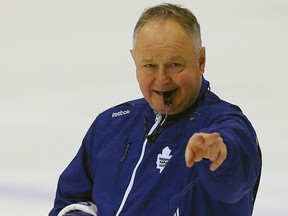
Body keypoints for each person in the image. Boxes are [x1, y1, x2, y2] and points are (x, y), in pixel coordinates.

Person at [49, 3, 261, 216]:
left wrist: (220, 155)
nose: (162, 80)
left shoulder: (223, 125)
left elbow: (235, 175)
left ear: (201, 60)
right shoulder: (111, 124)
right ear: (135, 61)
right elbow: (72, 198)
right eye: (149, 66)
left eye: (175, 65)